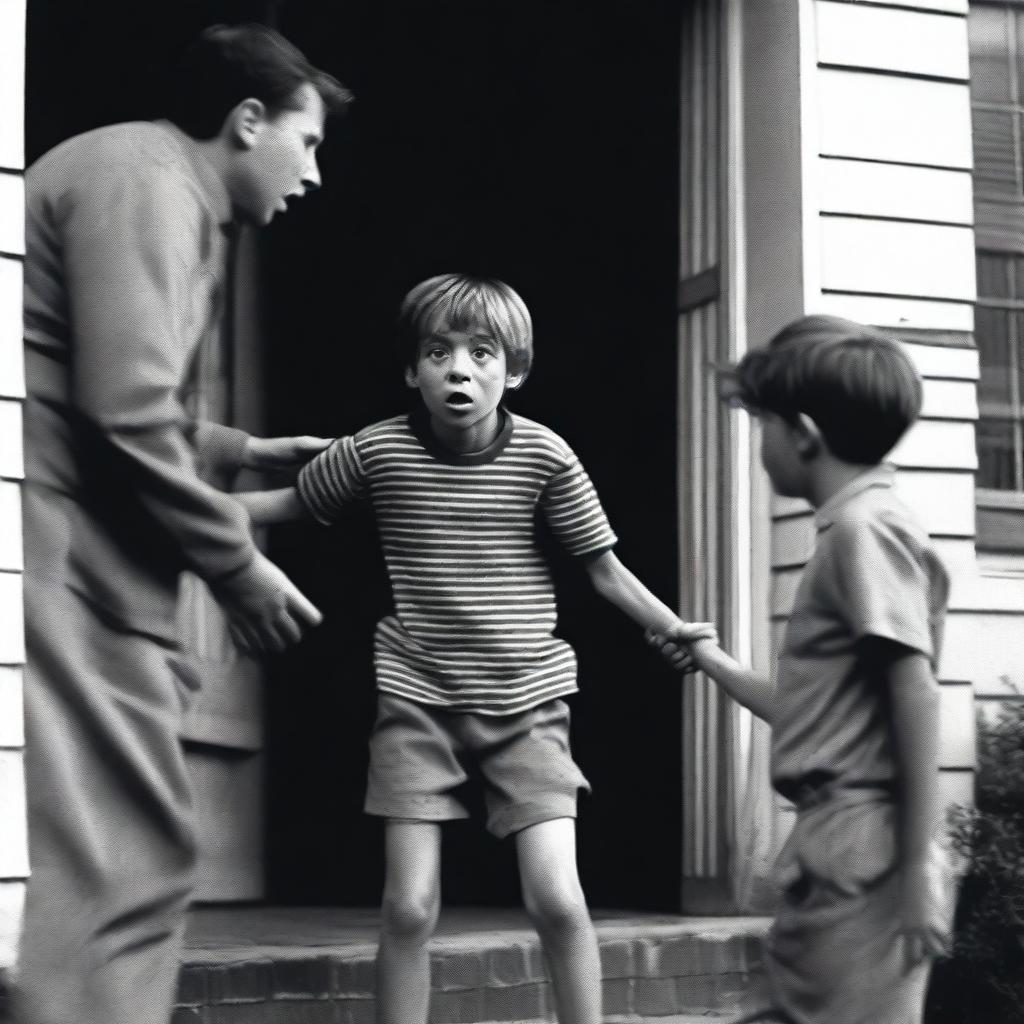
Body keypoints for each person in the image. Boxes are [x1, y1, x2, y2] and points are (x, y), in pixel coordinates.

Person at [236, 273, 716, 1024]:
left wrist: (674, 628)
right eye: (438, 352)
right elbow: (282, 504)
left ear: (514, 370)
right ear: (411, 371)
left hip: (527, 701)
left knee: (557, 897)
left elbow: (605, 571)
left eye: (481, 352)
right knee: (409, 907)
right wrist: (174, 510)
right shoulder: (376, 453)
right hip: (416, 699)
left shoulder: (546, 457)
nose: (459, 368)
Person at [16, 24, 352, 1024]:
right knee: (123, 861)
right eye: (310, 141)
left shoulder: (147, 178)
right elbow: (122, 412)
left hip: (84, 553)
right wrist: (235, 564)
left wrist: (243, 453)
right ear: (248, 122)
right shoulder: (151, 184)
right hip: (72, 558)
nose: (315, 174)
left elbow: (101, 388)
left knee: (131, 854)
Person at [648, 315, 956, 1024]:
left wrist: (912, 869)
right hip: (834, 848)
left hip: (866, 854)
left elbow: (916, 693)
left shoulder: (864, 531)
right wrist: (711, 658)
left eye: (764, 423)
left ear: (805, 434)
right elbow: (807, 709)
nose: (761, 440)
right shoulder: (856, 530)